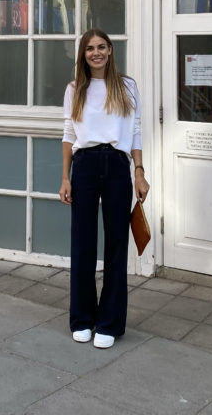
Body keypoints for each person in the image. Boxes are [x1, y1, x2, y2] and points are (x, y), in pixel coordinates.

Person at [59, 28, 149, 348]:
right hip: (84, 166)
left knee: (115, 245)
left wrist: (139, 172)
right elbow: (69, 134)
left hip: (116, 166)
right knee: (82, 245)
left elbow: (136, 132)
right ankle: (82, 318)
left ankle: (109, 322)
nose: (95, 53)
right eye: (89, 49)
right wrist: (66, 177)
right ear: (83, 55)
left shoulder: (127, 86)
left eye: (101, 47)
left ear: (110, 50)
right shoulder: (75, 89)